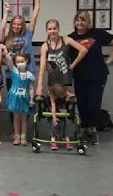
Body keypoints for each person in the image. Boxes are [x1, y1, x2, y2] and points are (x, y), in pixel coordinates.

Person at [68, 11, 113, 144]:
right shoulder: (71, 37)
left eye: (83, 21)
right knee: (82, 103)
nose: (80, 23)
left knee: (93, 103)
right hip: (80, 75)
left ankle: (93, 131)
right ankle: (84, 129)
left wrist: (109, 59)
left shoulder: (96, 34)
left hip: (97, 75)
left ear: (88, 22)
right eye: (77, 21)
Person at [36, 19, 88, 150]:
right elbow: (42, 66)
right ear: (47, 31)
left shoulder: (66, 40)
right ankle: (54, 137)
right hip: (52, 83)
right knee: (53, 110)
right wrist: (40, 84)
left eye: (54, 28)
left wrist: (73, 64)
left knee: (68, 110)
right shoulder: (45, 46)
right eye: (50, 29)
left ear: (58, 29)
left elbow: (83, 50)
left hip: (66, 83)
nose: (52, 31)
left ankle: (68, 137)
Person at [0, 0, 42, 135]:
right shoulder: (7, 38)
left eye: (19, 24)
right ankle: (14, 129)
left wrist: (37, 1)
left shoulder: (28, 35)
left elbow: (34, 17)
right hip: (13, 76)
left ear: (23, 25)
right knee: (13, 101)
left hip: (26, 74)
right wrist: (6, 12)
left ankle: (23, 130)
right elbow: (3, 28)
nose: (17, 26)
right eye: (15, 24)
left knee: (26, 100)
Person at [1, 46, 35, 146]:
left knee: (24, 118)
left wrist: (32, 99)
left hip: (24, 98)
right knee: (16, 117)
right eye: (18, 62)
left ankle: (23, 137)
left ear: (27, 61)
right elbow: (9, 61)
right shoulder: (14, 71)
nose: (20, 63)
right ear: (15, 63)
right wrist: (6, 52)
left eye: (22, 61)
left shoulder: (29, 75)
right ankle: (17, 136)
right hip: (15, 97)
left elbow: (31, 88)